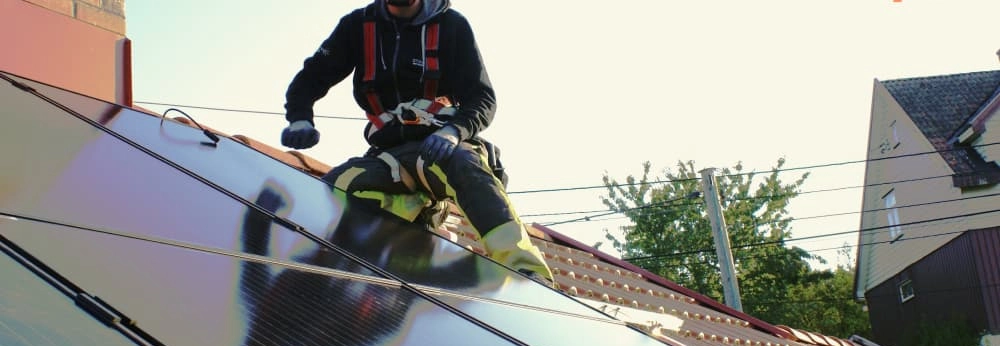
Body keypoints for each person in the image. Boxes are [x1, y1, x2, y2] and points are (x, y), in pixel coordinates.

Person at [279, 0, 553, 283]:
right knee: (340, 185)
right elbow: (312, 76)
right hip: (389, 157)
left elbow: (483, 98)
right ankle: (341, 267)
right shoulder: (357, 26)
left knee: (467, 167)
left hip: (441, 147)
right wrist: (300, 118)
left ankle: (527, 272)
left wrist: (453, 132)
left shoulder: (451, 26)